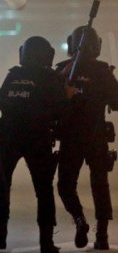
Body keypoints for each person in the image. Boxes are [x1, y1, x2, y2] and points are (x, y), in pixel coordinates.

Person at [0, 36, 68, 253]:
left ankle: (0, 236)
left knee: (2, 187)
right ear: (47, 55)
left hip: (7, 139)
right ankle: (46, 241)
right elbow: (62, 109)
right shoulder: (51, 78)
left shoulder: (13, 75)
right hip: (38, 139)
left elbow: (1, 100)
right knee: (43, 190)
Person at [56, 26, 118, 250]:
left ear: (71, 44)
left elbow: (50, 102)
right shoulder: (102, 71)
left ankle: (80, 220)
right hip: (96, 136)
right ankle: (102, 236)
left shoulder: (63, 70)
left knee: (65, 185)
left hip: (70, 137)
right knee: (100, 185)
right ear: (97, 46)